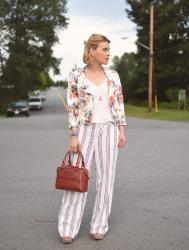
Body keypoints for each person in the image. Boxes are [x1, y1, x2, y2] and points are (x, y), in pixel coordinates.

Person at [58, 33, 127, 244]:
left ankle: (99, 226)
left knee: (107, 180)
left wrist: (121, 130)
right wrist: (73, 135)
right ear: (92, 51)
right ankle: (67, 227)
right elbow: (73, 108)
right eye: (104, 49)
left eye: (108, 49)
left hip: (109, 130)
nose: (108, 53)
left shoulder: (113, 75)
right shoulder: (76, 76)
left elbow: (119, 103)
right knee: (77, 176)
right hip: (85, 131)